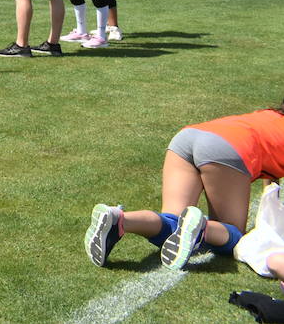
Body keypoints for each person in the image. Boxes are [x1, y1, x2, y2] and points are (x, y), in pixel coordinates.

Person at [84, 101, 284, 270]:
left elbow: (272, 171)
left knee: (173, 222)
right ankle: (201, 228)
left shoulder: (270, 115)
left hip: (188, 137)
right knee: (232, 235)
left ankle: (119, 219)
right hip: (226, 148)